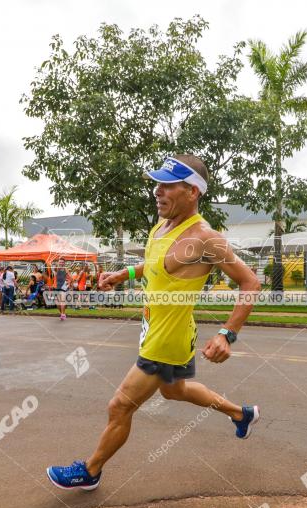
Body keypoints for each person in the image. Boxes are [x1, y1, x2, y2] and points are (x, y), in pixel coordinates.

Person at [46, 154, 262, 490]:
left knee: (119, 406)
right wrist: (124, 273)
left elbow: (251, 283)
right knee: (175, 391)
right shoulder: (161, 226)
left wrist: (227, 334)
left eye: (167, 185)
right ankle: (241, 413)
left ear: (192, 191)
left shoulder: (205, 238)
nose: (157, 192)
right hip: (159, 331)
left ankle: (90, 471)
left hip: (166, 339)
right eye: (157, 184)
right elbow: (156, 264)